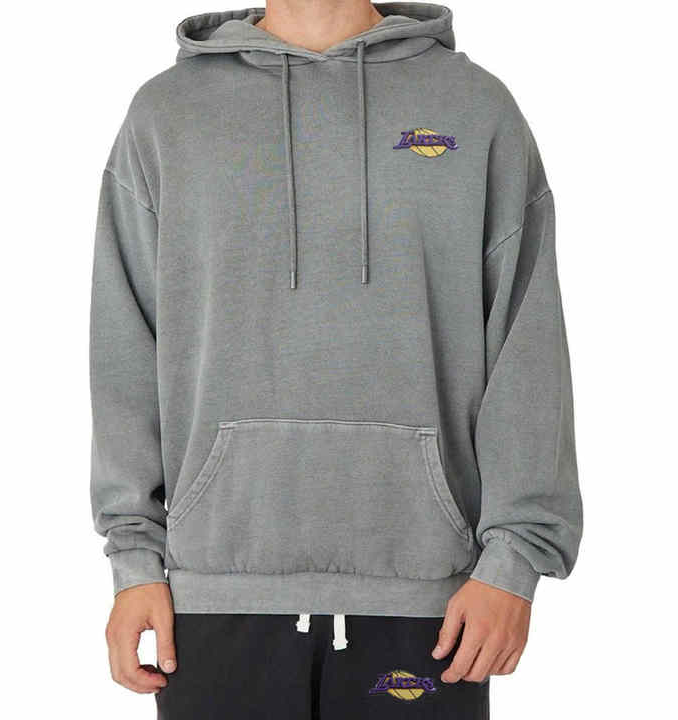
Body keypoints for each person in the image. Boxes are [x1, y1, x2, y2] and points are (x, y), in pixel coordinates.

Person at [90, 3, 582, 718]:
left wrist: (514, 561)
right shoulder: (167, 116)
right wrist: (134, 557)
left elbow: (526, 342)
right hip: (215, 594)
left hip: (435, 601)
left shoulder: (474, 109)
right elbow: (124, 344)